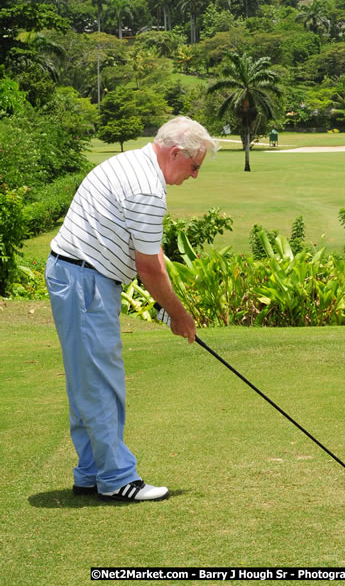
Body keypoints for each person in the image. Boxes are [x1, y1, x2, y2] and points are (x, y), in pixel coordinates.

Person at [45, 116, 218, 503]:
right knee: (101, 382)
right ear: (176, 153)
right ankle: (117, 478)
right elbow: (148, 267)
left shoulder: (133, 164)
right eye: (194, 167)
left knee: (87, 382)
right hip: (85, 281)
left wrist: (165, 304)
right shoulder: (147, 189)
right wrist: (179, 314)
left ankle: (91, 472)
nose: (194, 176)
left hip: (77, 276)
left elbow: (148, 251)